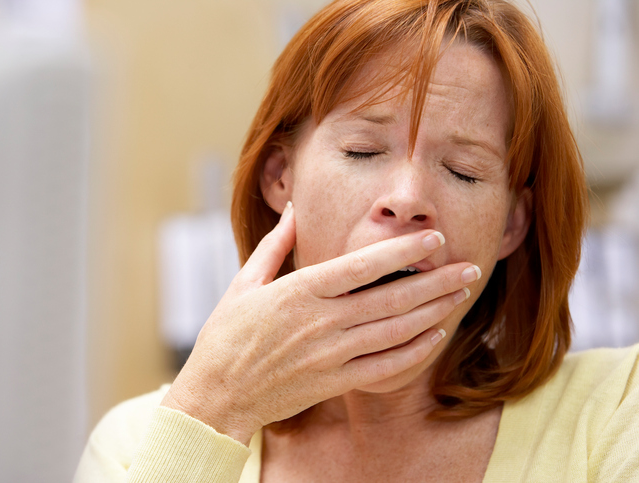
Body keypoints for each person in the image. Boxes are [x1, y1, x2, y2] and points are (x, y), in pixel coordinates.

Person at [74, 0, 639, 481]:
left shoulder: (618, 410)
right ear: (279, 178)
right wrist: (213, 409)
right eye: (363, 152)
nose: (408, 197)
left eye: (464, 171)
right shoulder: (137, 443)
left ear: (512, 225)